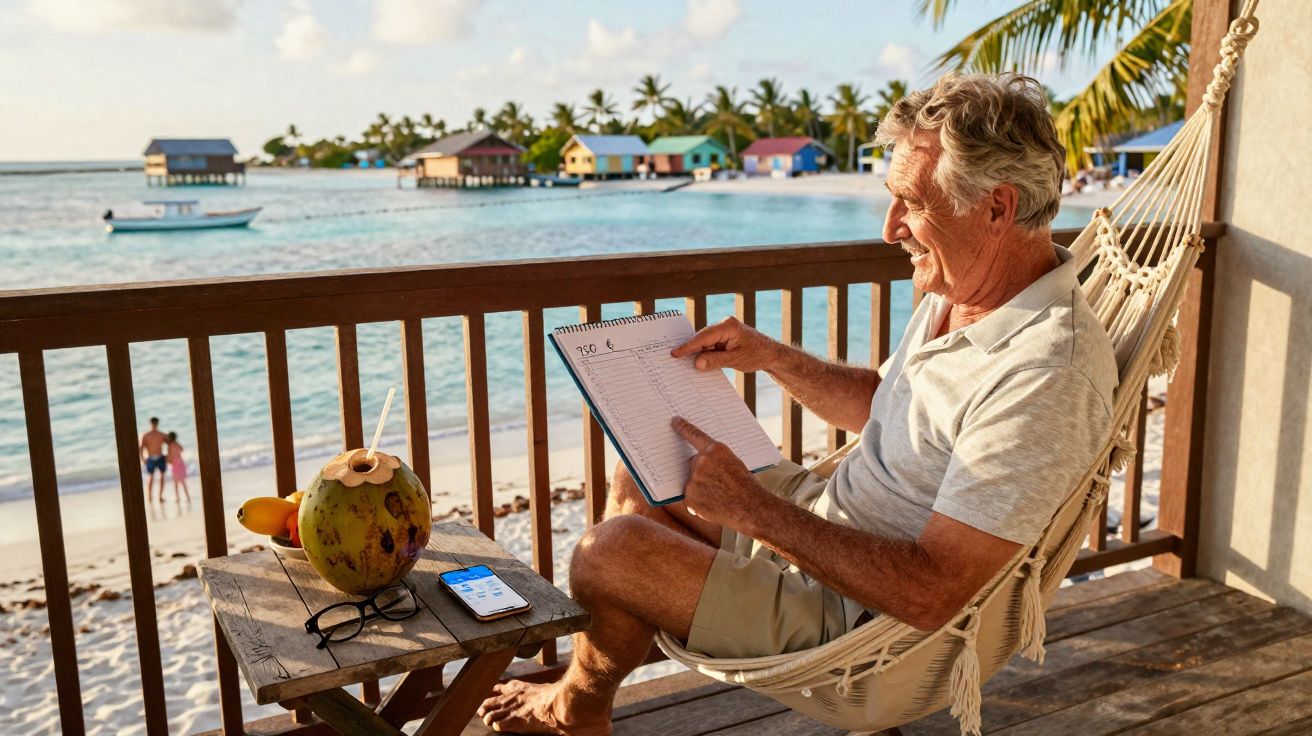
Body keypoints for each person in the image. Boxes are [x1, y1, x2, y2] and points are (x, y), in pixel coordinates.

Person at [478, 73, 1117, 735]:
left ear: (995, 208)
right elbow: (888, 405)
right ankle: (590, 698)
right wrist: (772, 357)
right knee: (649, 461)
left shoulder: (1047, 371)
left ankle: (575, 710)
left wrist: (755, 513)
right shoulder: (963, 290)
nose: (889, 227)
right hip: (828, 523)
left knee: (606, 555)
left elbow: (932, 593)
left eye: (911, 202)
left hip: (864, 627)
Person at [139, 417, 168, 503]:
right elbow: (141, 447)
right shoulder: (146, 435)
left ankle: (160, 497)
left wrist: (169, 455)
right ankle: (149, 497)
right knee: (151, 477)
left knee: (162, 477)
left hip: (160, 457)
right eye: (153, 424)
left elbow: (170, 442)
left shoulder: (162, 434)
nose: (154, 425)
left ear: (157, 424)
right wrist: (142, 458)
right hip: (151, 458)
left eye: (155, 424)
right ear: (151, 424)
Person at [166, 432, 191, 502]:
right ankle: (187, 496)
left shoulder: (169, 446)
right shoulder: (177, 444)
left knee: (175, 482)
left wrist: (168, 461)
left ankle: (177, 498)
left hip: (174, 464)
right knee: (183, 481)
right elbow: (182, 449)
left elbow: (169, 457)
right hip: (181, 463)